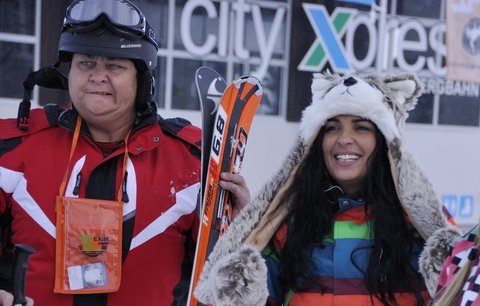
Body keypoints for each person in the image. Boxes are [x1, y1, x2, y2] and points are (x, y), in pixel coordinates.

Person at [0, 0, 250, 305]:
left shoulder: (190, 162)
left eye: (115, 65)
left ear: (142, 79)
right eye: (86, 62)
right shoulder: (14, 148)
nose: (97, 75)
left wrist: (240, 226)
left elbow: (222, 278)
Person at [193, 72, 460, 306]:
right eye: (332, 128)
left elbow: (462, 290)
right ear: (316, 142)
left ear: (385, 142)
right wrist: (246, 231)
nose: (344, 139)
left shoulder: (420, 226)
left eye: (361, 127)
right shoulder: (290, 224)